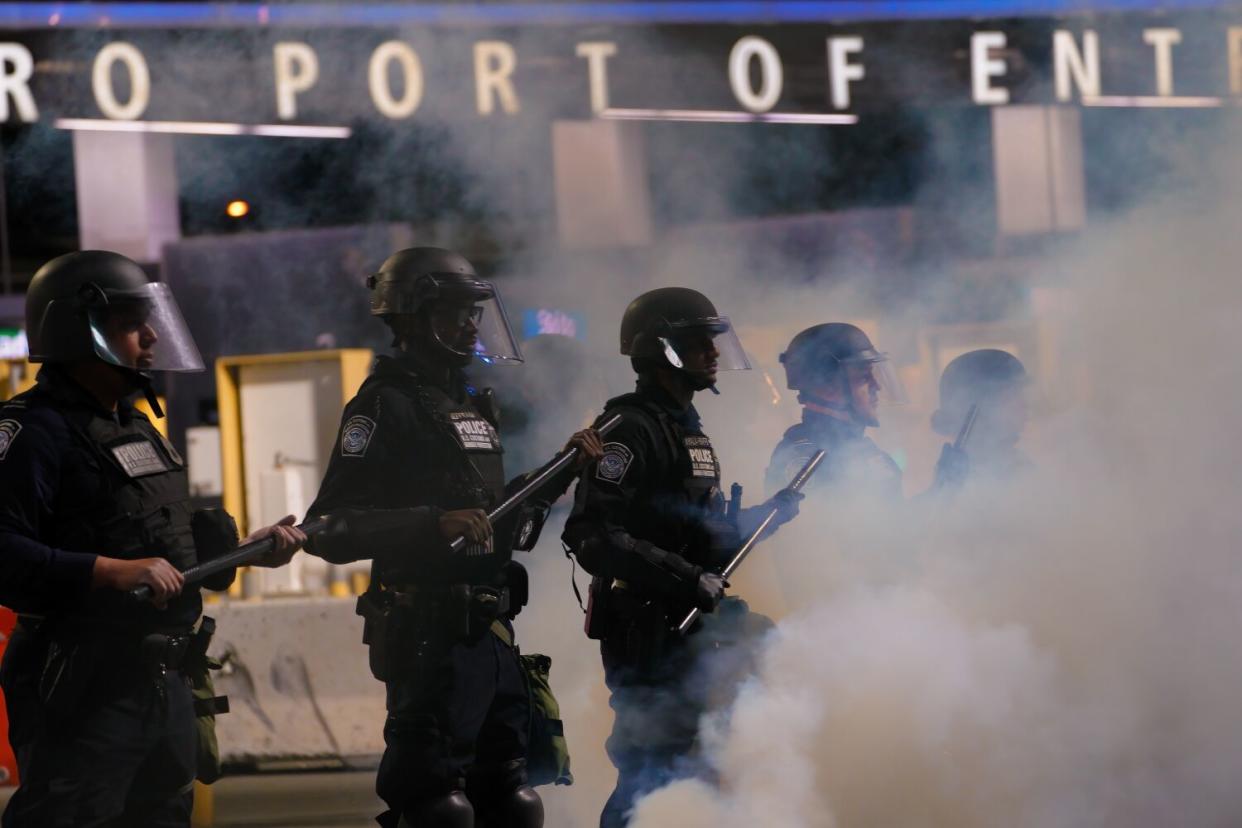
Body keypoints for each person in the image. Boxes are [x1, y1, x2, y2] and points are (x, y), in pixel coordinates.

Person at [0, 250, 304, 827]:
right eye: (130, 324)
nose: (150, 337)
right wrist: (109, 570)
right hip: (82, 682)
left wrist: (244, 552)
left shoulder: (136, 426)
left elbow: (162, 543)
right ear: (79, 331)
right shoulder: (31, 430)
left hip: (162, 680)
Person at [304, 247, 602, 828]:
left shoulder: (469, 405)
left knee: (512, 798)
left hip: (490, 634)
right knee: (436, 803)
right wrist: (430, 521)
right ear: (413, 318)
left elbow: (494, 519)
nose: (472, 326)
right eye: (456, 313)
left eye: (474, 313)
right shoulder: (381, 406)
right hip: (428, 638)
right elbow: (329, 526)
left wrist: (558, 472)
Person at [562, 287, 800, 828]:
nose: (713, 354)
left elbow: (698, 535)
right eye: (698, 343)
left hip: (686, 622)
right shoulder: (627, 429)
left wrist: (763, 518)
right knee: (652, 767)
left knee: (696, 763)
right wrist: (686, 577)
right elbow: (593, 534)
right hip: (645, 626)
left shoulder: (686, 429)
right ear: (663, 350)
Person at [765, 323, 905, 502]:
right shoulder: (804, 458)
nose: (876, 386)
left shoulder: (859, 448)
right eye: (863, 377)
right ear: (827, 385)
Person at [928, 348, 1032, 491]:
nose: (1025, 405)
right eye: (1012, 395)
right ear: (984, 407)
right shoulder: (961, 481)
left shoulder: (1022, 469)